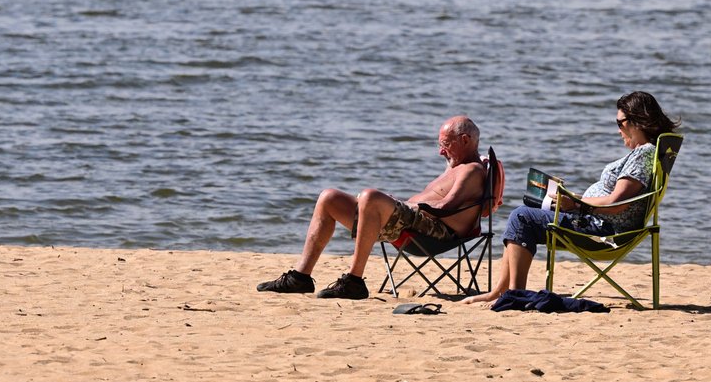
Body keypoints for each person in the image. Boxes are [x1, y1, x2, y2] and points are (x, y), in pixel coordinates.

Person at [467, 90, 678, 305]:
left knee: (522, 217)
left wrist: (577, 204)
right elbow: (616, 199)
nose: (618, 130)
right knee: (527, 210)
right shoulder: (647, 153)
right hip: (596, 221)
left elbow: (616, 203)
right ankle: (502, 292)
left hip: (603, 231)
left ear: (637, 121)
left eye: (619, 123)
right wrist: (571, 197)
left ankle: (513, 295)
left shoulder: (643, 155)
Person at [256, 116, 488, 300]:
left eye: (445, 144)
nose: (441, 151)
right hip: (414, 224)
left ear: (465, 140)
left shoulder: (471, 170)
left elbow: (446, 207)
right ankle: (300, 277)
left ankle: (354, 281)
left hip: (435, 233)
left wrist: (400, 204)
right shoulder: (457, 166)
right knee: (329, 198)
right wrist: (395, 204)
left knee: (370, 196)